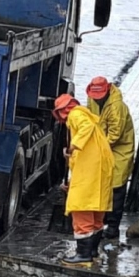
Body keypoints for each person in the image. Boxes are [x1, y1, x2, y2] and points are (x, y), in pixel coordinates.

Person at [52, 94, 114, 267]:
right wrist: (71, 181)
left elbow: (83, 133)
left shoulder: (76, 115)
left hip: (89, 176)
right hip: (99, 175)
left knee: (81, 210)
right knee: (96, 214)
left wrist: (73, 145)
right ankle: (92, 252)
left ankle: (83, 256)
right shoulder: (89, 119)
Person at [85, 76, 135, 240]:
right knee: (101, 185)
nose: (96, 100)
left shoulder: (116, 107)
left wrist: (96, 149)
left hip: (119, 151)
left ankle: (113, 227)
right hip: (102, 147)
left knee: (116, 188)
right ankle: (102, 221)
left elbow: (115, 135)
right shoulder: (92, 99)